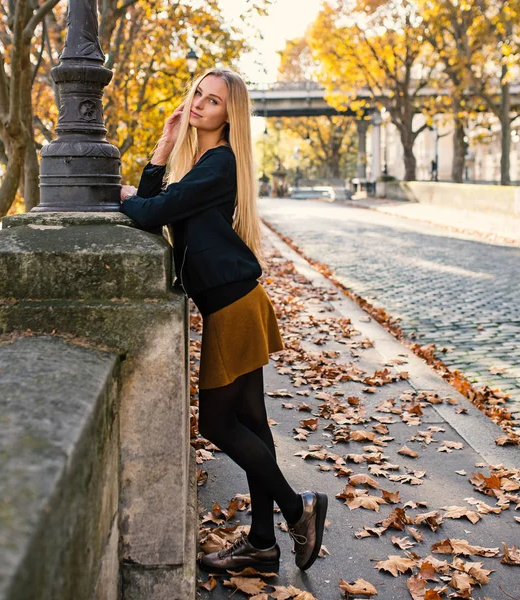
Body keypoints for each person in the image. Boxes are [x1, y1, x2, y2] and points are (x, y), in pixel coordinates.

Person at [119, 67, 327, 574]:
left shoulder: (218, 165)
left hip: (233, 307)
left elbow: (148, 212)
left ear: (226, 115)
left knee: (216, 423)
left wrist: (134, 193)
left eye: (211, 102)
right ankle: (262, 544)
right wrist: (165, 144)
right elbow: (161, 205)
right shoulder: (206, 162)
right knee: (252, 423)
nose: (198, 105)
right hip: (235, 302)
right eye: (197, 94)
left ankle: (299, 510)